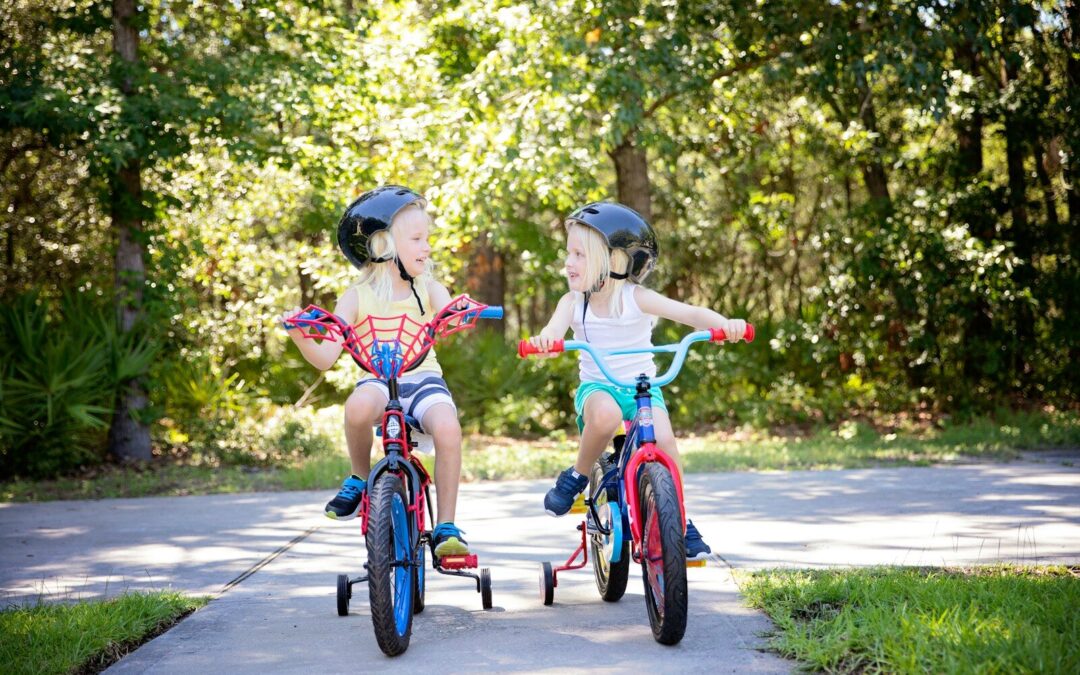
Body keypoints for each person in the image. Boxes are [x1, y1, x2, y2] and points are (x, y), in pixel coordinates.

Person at [526, 201, 747, 561]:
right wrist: (545, 343)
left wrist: (725, 325)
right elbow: (552, 332)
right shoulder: (573, 302)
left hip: (643, 389)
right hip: (598, 388)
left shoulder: (636, 298)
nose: (569, 262)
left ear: (613, 261)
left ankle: (680, 520)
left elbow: (690, 313)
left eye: (580, 255)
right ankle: (578, 475)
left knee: (665, 441)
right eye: (569, 253)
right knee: (606, 415)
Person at [281, 186, 469, 558]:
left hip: (423, 379)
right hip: (377, 380)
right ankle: (359, 477)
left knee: (449, 427)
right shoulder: (355, 296)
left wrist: (459, 314)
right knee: (356, 407)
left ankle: (446, 525)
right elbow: (325, 358)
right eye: (417, 239)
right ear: (384, 245)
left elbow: (451, 315)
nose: (427, 247)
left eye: (426, 238)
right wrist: (300, 336)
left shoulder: (430, 289)